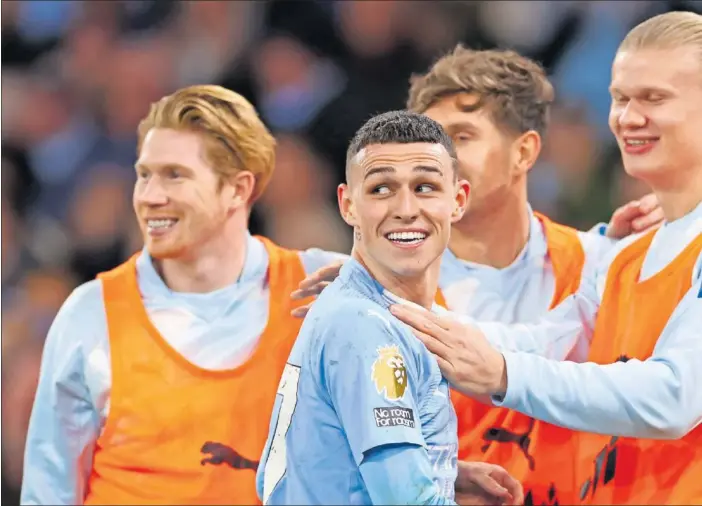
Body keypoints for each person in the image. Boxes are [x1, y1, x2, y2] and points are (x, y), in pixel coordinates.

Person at [292, 46, 665, 505]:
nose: (436, 158)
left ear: (524, 151)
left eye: (461, 136)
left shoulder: (602, 265)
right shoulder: (365, 286)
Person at [389, 11, 702, 505]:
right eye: (619, 98)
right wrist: (395, 314)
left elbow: (675, 396)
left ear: (526, 152)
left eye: (654, 98)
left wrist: (502, 374)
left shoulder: (606, 252)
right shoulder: (627, 256)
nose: (627, 117)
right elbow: (550, 341)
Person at [20, 85, 348, 505]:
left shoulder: (322, 287)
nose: (150, 197)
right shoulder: (90, 314)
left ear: (238, 189)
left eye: (175, 175)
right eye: (144, 174)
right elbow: (48, 492)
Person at [257, 110, 521, 506]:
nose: (405, 208)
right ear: (348, 205)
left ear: (458, 200)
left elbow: (307, 462)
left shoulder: (364, 307)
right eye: (381, 189)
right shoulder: (366, 328)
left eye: (425, 187)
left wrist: (442, 469)